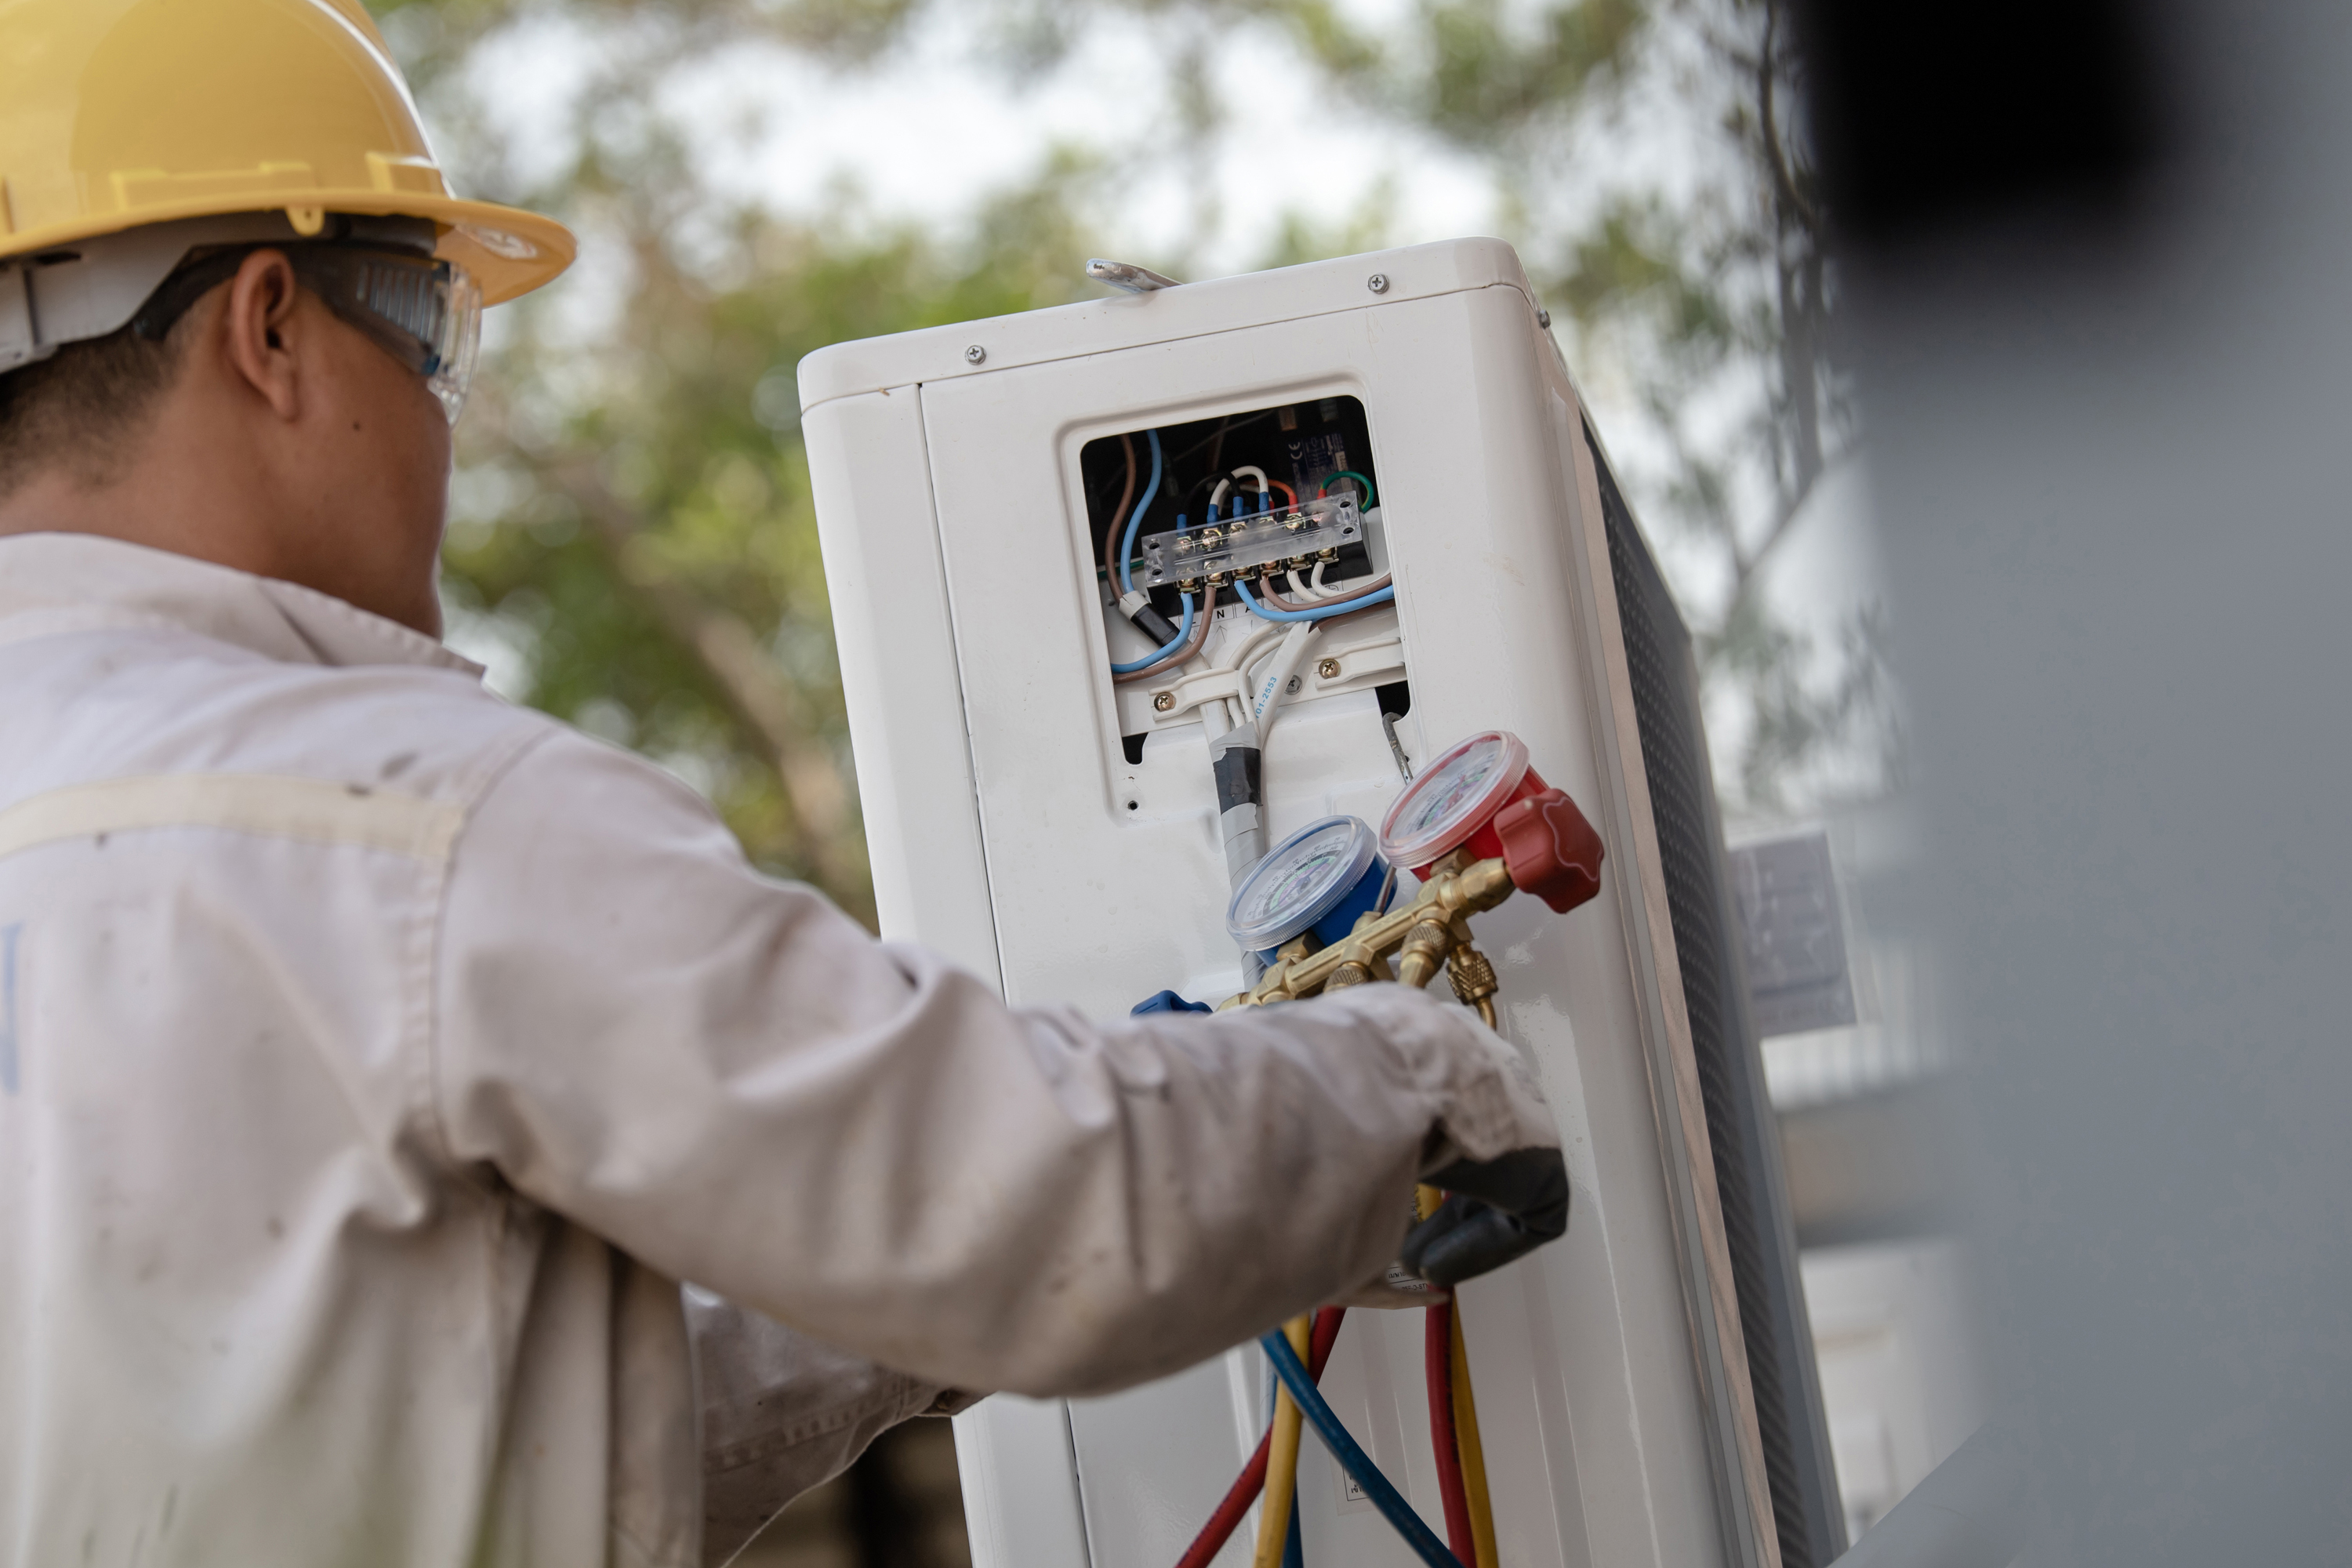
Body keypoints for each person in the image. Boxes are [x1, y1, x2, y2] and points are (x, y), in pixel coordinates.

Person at [0, 3, 1570, 1565]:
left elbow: (500, 1429)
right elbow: (1021, 1204)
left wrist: (884, 1292)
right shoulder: (420, 822)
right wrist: (1408, 1085)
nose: (437, 414)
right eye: (430, 328)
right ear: (267, 326)